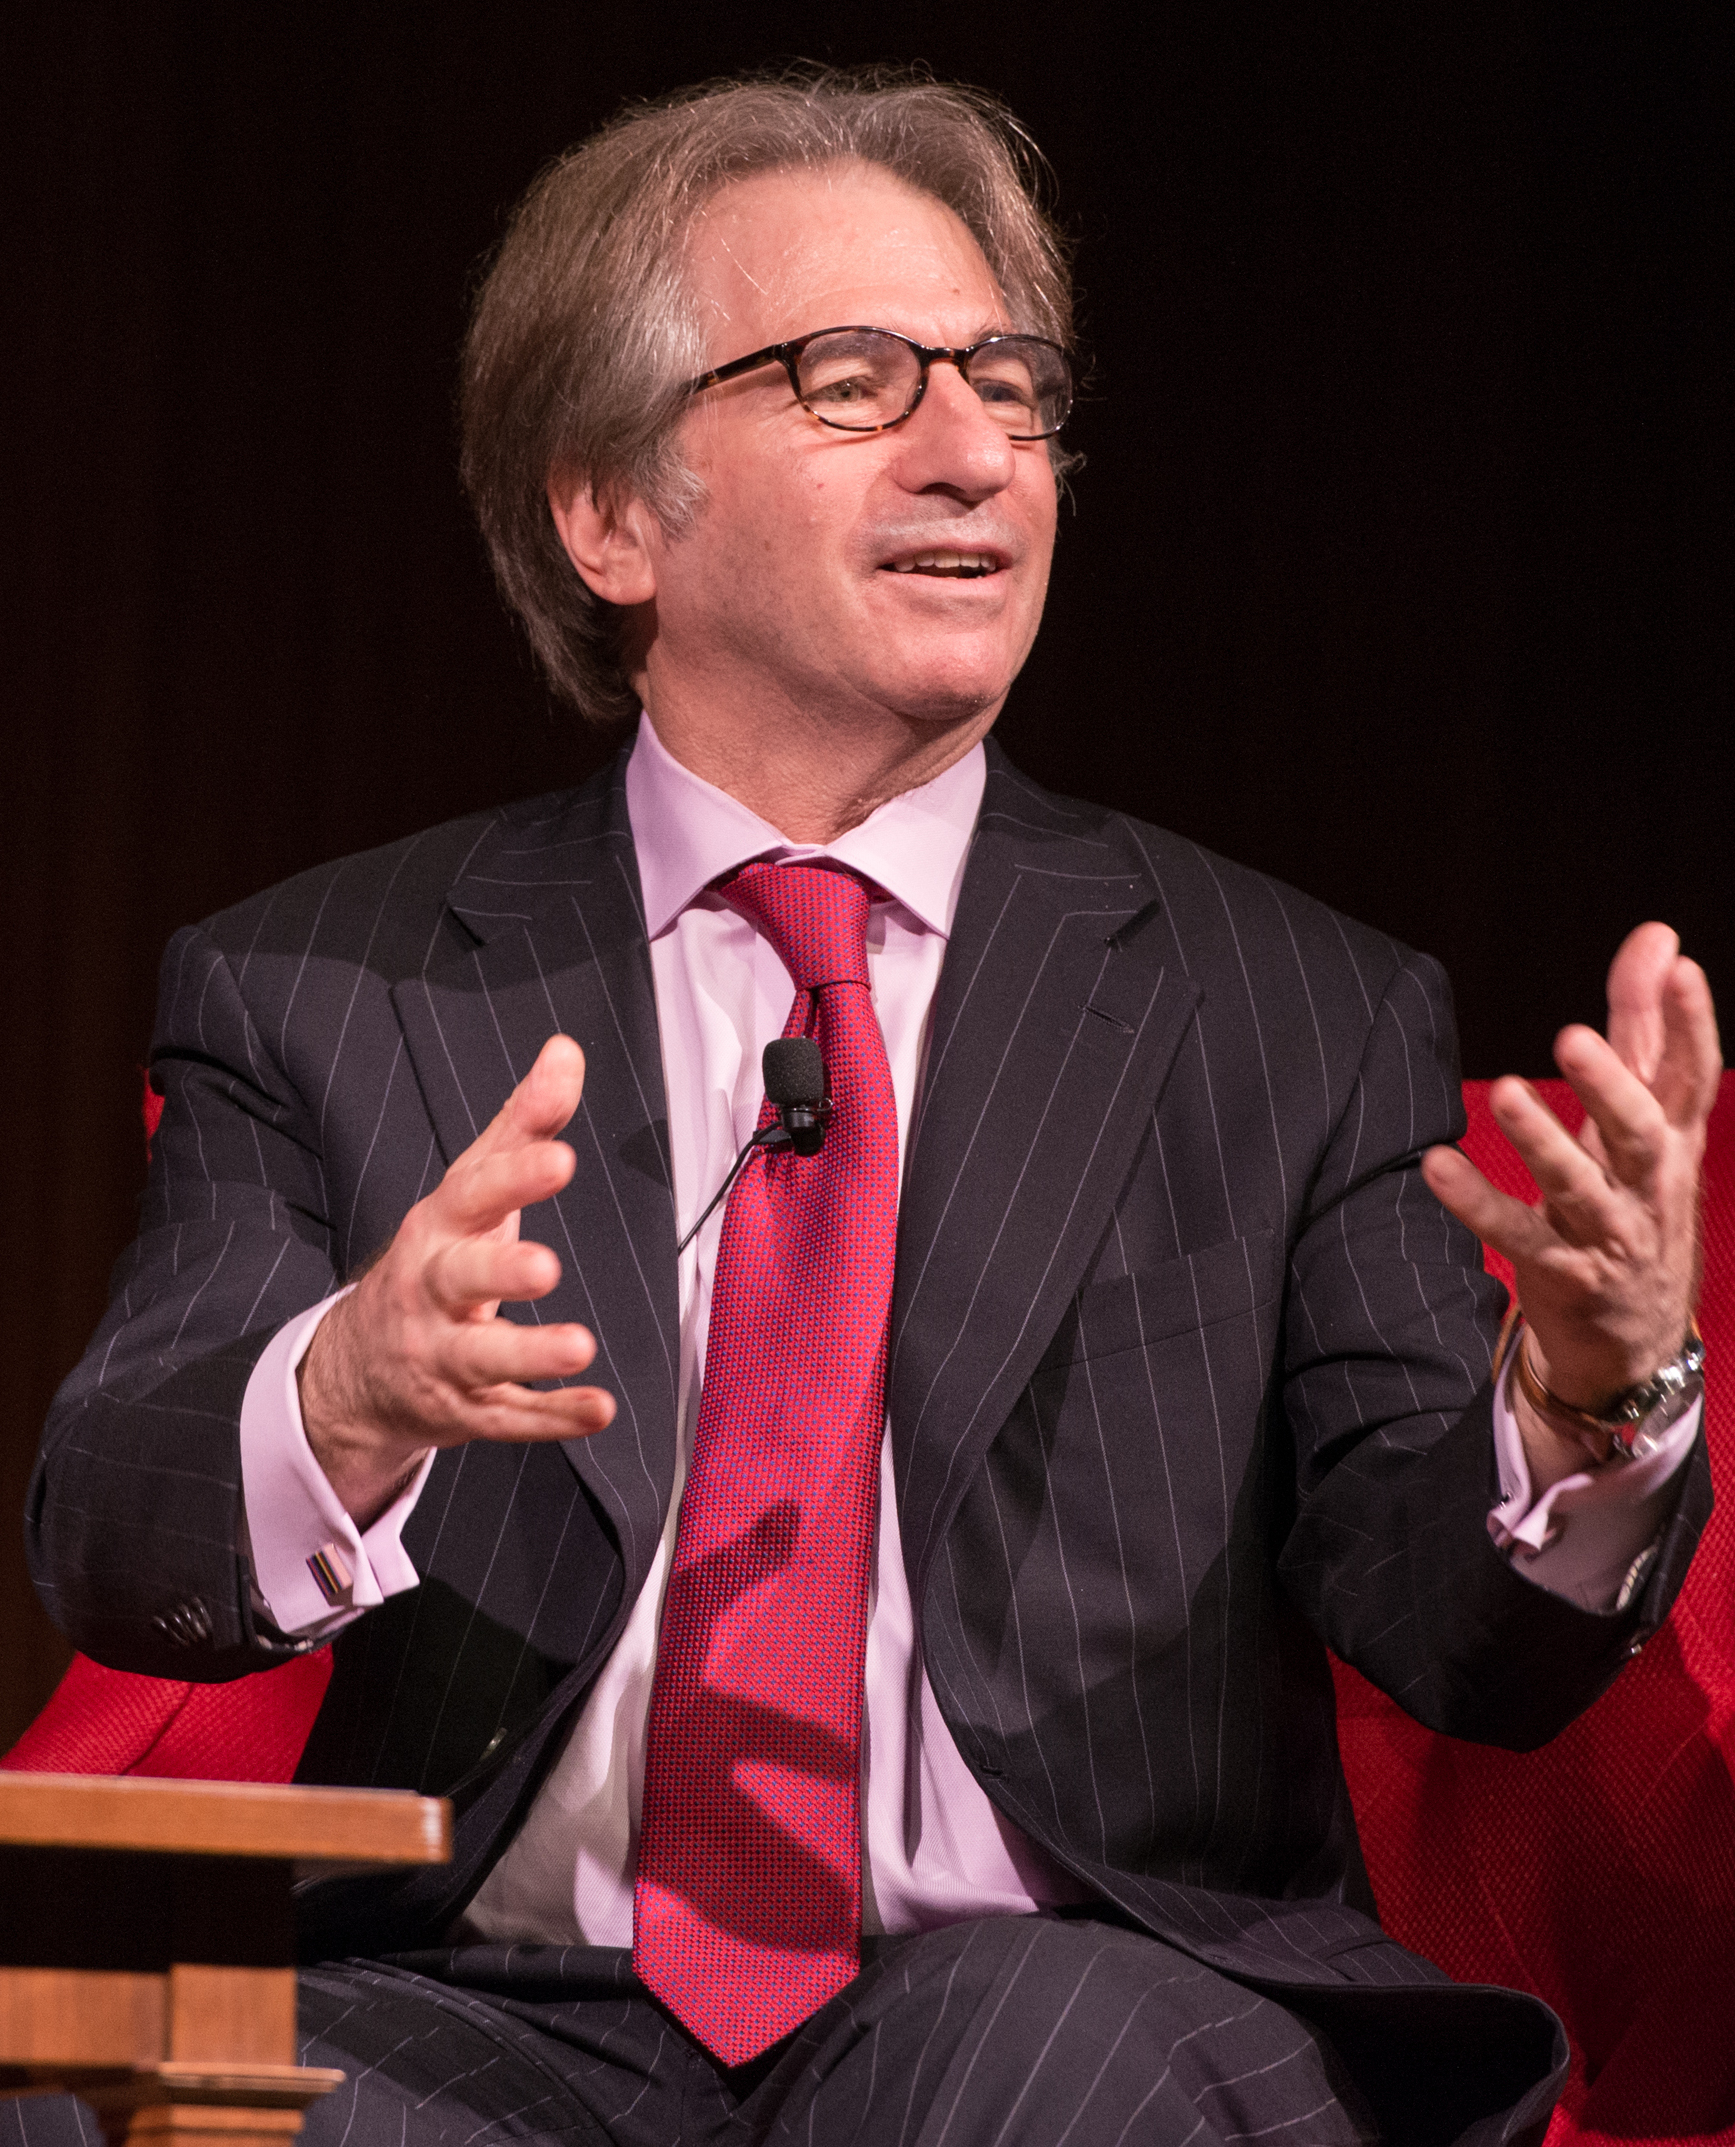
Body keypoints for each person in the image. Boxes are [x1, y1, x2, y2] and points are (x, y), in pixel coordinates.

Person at [26, 70, 1720, 2147]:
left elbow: (1456, 1639)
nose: (975, 449)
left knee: (1013, 2058)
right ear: (610, 511)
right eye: (855, 379)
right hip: (490, 2005)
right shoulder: (320, 989)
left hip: (1072, 1982)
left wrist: (1589, 1402)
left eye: (1012, 383)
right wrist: (347, 1392)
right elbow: (112, 1533)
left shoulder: (1284, 1007)